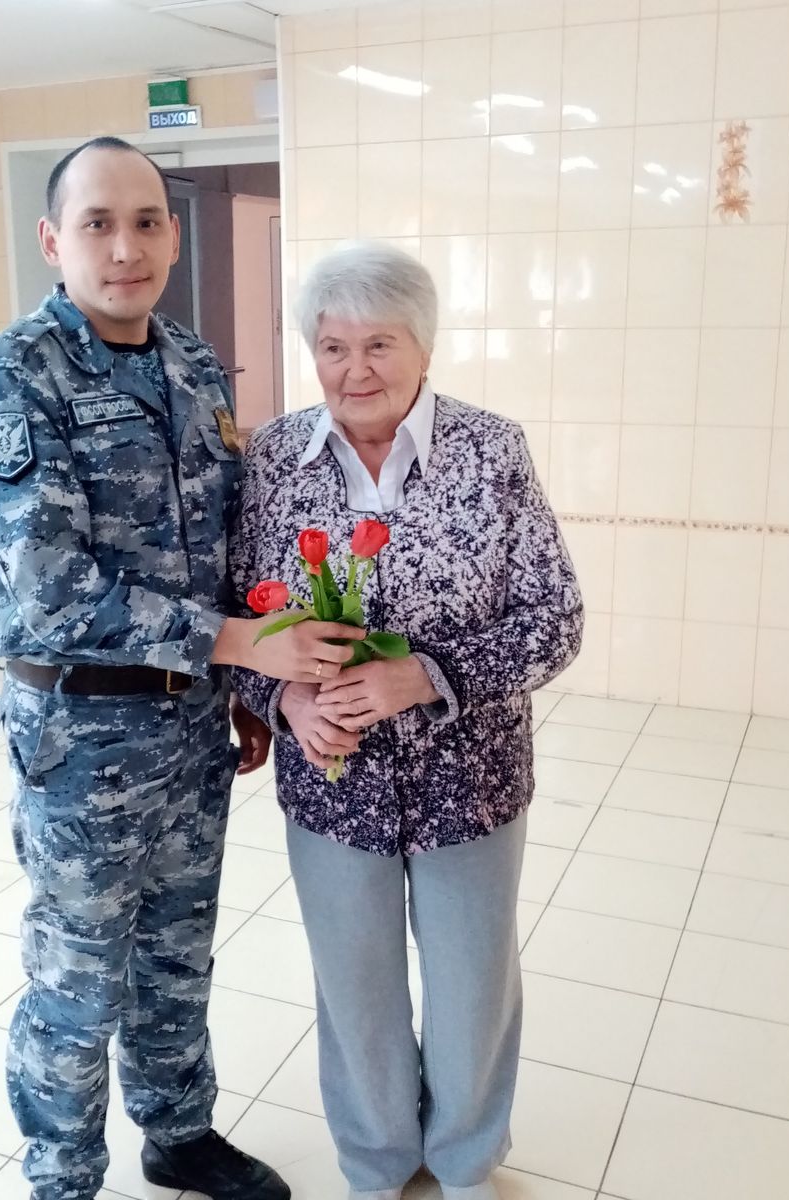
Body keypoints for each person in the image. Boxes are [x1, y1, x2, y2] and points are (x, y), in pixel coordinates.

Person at [0, 136, 363, 1200]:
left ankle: (178, 1133)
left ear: (173, 236)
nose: (125, 248)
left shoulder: (189, 362)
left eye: (145, 222)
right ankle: (63, 1178)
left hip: (191, 725)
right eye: (97, 224)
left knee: (177, 951)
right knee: (80, 976)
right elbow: (50, 589)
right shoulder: (12, 377)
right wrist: (239, 645)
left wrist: (248, 685)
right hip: (82, 739)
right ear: (54, 241)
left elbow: (223, 544)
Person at [231, 242, 584, 1200]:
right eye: (332, 346)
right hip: (331, 783)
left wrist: (426, 675)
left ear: (424, 348)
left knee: (472, 982)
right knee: (356, 983)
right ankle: (378, 1162)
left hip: (471, 782)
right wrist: (284, 698)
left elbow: (555, 618)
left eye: (379, 344)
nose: (355, 370)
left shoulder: (491, 451)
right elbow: (241, 618)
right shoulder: (275, 459)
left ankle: (465, 1162)